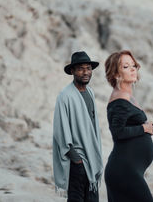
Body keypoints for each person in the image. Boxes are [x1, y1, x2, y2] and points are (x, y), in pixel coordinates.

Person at [104, 50, 153, 202]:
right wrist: (144, 128)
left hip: (129, 170)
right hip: (124, 171)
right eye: (126, 66)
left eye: (133, 65)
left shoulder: (128, 97)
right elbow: (118, 132)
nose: (132, 69)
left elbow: (137, 131)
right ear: (116, 74)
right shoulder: (120, 98)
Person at [53, 51, 103, 202]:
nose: (86, 72)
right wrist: (76, 159)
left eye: (88, 68)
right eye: (81, 69)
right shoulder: (65, 96)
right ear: (73, 71)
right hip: (77, 162)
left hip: (91, 158)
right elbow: (60, 131)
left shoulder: (90, 93)